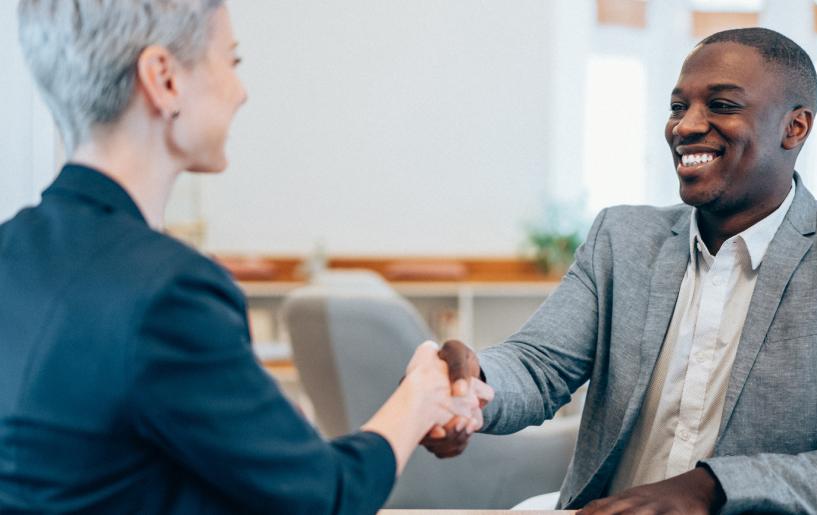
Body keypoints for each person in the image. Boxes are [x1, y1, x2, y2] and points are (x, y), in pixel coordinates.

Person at [424, 28, 817, 514]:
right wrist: (475, 383)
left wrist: (712, 489)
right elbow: (539, 366)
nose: (686, 126)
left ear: (795, 126)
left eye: (721, 105)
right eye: (678, 106)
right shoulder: (621, 238)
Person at [0, 1, 489, 513]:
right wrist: (420, 395)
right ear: (163, 79)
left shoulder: (12, 253)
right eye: (231, 61)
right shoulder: (168, 291)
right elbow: (326, 497)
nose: (241, 91)